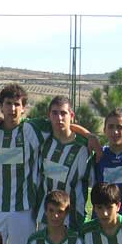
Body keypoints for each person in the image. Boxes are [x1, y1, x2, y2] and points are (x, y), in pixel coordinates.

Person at [0, 84, 43, 244]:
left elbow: (63, 127)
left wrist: (91, 138)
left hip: (22, 208)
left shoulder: (31, 130)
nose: (12, 108)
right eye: (8, 104)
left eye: (17, 104)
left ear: (23, 108)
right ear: (1, 107)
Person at [35, 96, 94, 231]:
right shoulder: (43, 142)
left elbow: (92, 181)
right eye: (55, 113)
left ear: (71, 115)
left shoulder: (84, 147)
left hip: (73, 218)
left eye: (63, 113)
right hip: (46, 218)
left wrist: (90, 136)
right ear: (49, 116)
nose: (59, 118)